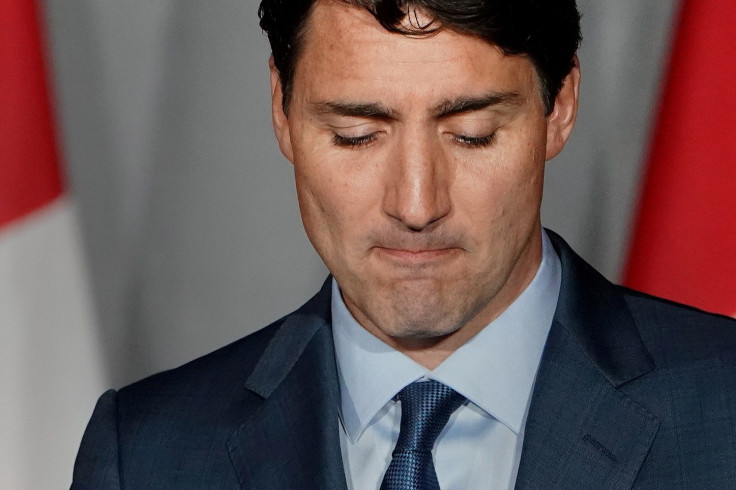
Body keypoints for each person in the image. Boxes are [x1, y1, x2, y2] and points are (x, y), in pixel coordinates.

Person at [72, 0, 736, 488]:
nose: (416, 206)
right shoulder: (146, 456)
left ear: (558, 105)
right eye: (356, 135)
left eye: (471, 132)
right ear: (282, 108)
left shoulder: (722, 412)